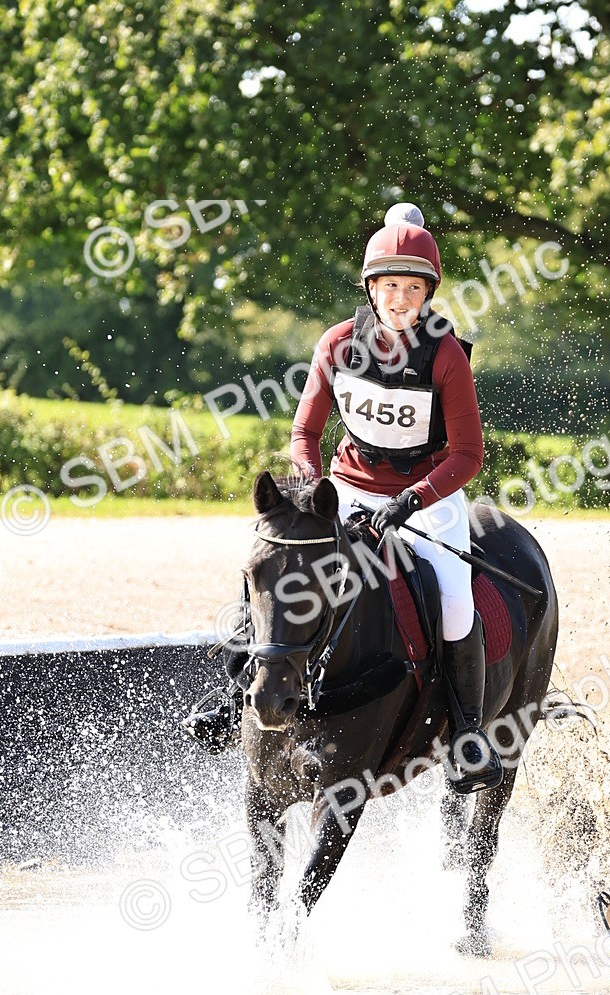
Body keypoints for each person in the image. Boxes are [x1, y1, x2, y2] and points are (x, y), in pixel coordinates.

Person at [184, 203, 502, 792]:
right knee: (271, 566)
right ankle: (232, 698)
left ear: (428, 292)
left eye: (412, 288)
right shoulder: (337, 343)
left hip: (427, 499)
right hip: (345, 491)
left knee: (455, 599)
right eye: (389, 287)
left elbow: (467, 456)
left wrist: (409, 503)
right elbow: (304, 434)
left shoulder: (447, 355)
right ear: (371, 289)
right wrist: (305, 488)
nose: (400, 299)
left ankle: (466, 735)